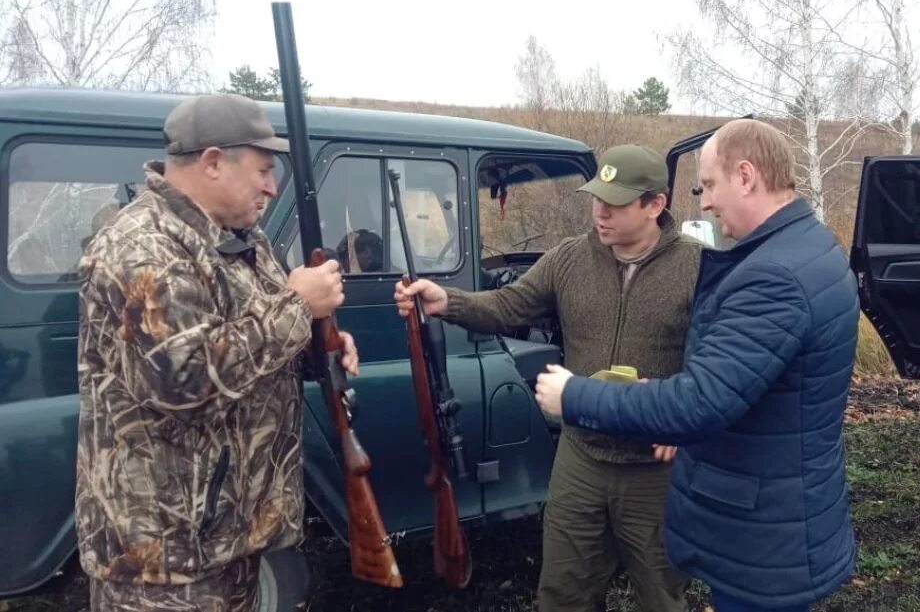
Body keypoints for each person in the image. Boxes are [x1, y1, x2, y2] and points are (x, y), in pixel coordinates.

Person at [536, 119, 860, 612]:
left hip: (764, 535)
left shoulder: (773, 275)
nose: (704, 202)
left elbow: (699, 403)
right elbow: (743, 385)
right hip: (786, 513)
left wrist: (575, 395)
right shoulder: (813, 248)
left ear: (746, 176)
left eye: (709, 185)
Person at [76, 93, 358, 612]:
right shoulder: (142, 245)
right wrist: (297, 307)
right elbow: (184, 382)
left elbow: (258, 347)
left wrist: (321, 345)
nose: (273, 187)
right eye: (264, 170)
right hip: (163, 565)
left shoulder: (241, 241)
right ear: (211, 162)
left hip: (228, 541)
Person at [395, 145, 701, 612]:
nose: (600, 213)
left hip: (655, 471)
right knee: (563, 593)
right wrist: (448, 301)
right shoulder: (570, 258)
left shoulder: (697, 268)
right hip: (581, 459)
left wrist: (685, 421)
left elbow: (713, 363)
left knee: (662, 595)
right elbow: (508, 305)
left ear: (655, 205)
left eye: (615, 204)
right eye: (597, 198)